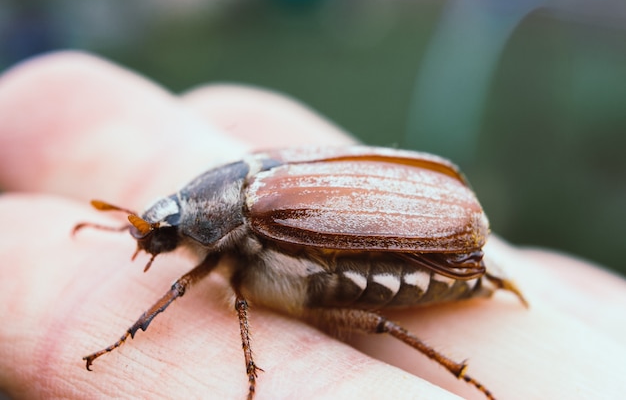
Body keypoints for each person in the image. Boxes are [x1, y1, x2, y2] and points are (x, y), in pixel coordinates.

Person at [0, 52, 624, 399]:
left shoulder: (254, 217)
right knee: (367, 322)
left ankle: (463, 374)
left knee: (376, 321)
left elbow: (196, 293)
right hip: (417, 231)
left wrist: (127, 338)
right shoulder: (233, 196)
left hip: (417, 254)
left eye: (163, 233)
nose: (159, 242)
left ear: (206, 218)